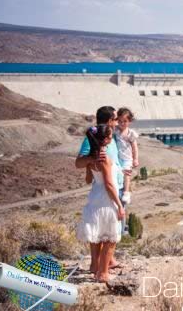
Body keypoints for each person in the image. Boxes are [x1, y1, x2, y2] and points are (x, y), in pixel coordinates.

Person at [76, 106, 126, 268]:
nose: (117, 122)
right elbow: (79, 162)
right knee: (104, 226)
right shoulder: (97, 137)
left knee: (106, 225)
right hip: (105, 189)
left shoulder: (110, 136)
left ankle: (106, 262)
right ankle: (98, 266)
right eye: (115, 119)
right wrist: (92, 158)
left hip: (114, 186)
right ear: (109, 120)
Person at [115, 107, 139, 205]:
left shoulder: (130, 133)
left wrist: (135, 159)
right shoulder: (115, 130)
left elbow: (135, 148)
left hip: (127, 159)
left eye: (125, 121)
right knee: (118, 174)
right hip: (117, 158)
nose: (122, 123)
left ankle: (126, 192)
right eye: (120, 121)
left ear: (129, 121)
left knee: (127, 174)